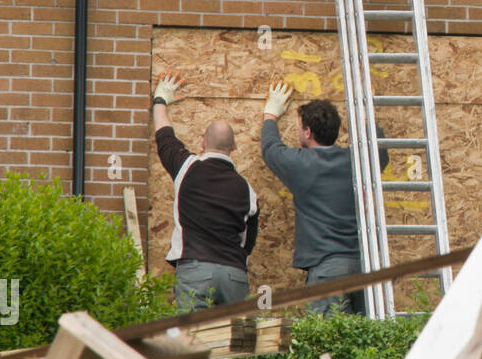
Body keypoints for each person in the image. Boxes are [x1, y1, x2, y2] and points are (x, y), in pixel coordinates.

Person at [260, 82, 388, 315]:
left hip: (327, 271)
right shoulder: (357, 162)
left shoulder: (301, 164)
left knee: (327, 344)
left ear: (308, 132)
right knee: (362, 344)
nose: (299, 131)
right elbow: (379, 151)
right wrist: (368, 115)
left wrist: (270, 114)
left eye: (299, 127)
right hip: (363, 266)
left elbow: (270, 148)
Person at [151, 71, 259, 310]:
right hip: (234, 276)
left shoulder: (186, 167)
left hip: (195, 273)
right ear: (234, 146)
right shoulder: (248, 190)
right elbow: (248, 243)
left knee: (192, 340)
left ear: (202, 142)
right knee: (236, 342)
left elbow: (164, 136)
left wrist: (160, 99)